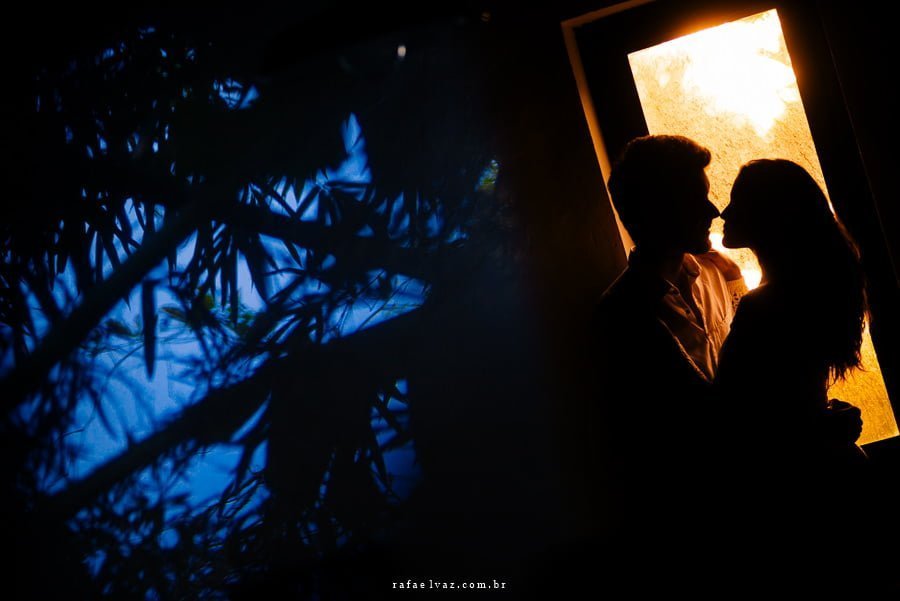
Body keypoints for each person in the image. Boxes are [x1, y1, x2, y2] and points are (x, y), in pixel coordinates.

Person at [587, 135, 747, 589]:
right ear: (657, 209)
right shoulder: (619, 319)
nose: (713, 210)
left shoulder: (722, 271)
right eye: (696, 199)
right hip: (696, 531)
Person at [714, 159, 874, 593]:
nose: (723, 213)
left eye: (737, 201)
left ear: (771, 216)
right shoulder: (804, 292)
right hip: (832, 481)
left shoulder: (764, 307)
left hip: (800, 500)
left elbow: (738, 421)